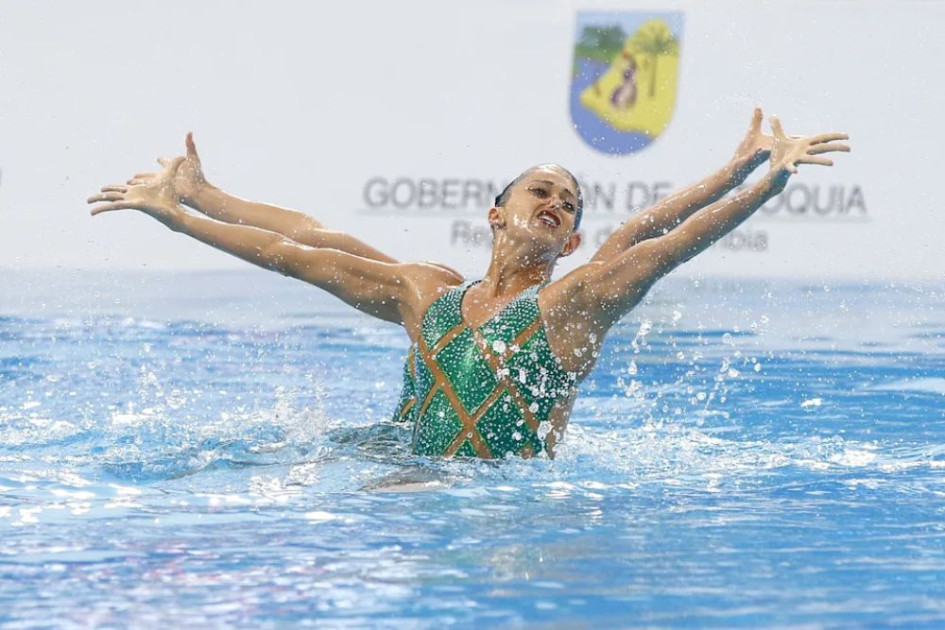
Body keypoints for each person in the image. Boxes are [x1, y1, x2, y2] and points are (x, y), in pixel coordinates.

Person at [87, 109, 849, 459]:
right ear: (495, 213)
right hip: (394, 457)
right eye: (540, 193)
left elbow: (665, 240)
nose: (556, 203)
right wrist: (189, 205)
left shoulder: (568, 307)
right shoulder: (427, 293)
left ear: (570, 239)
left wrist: (761, 177)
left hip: (502, 509)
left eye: (569, 205)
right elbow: (297, 248)